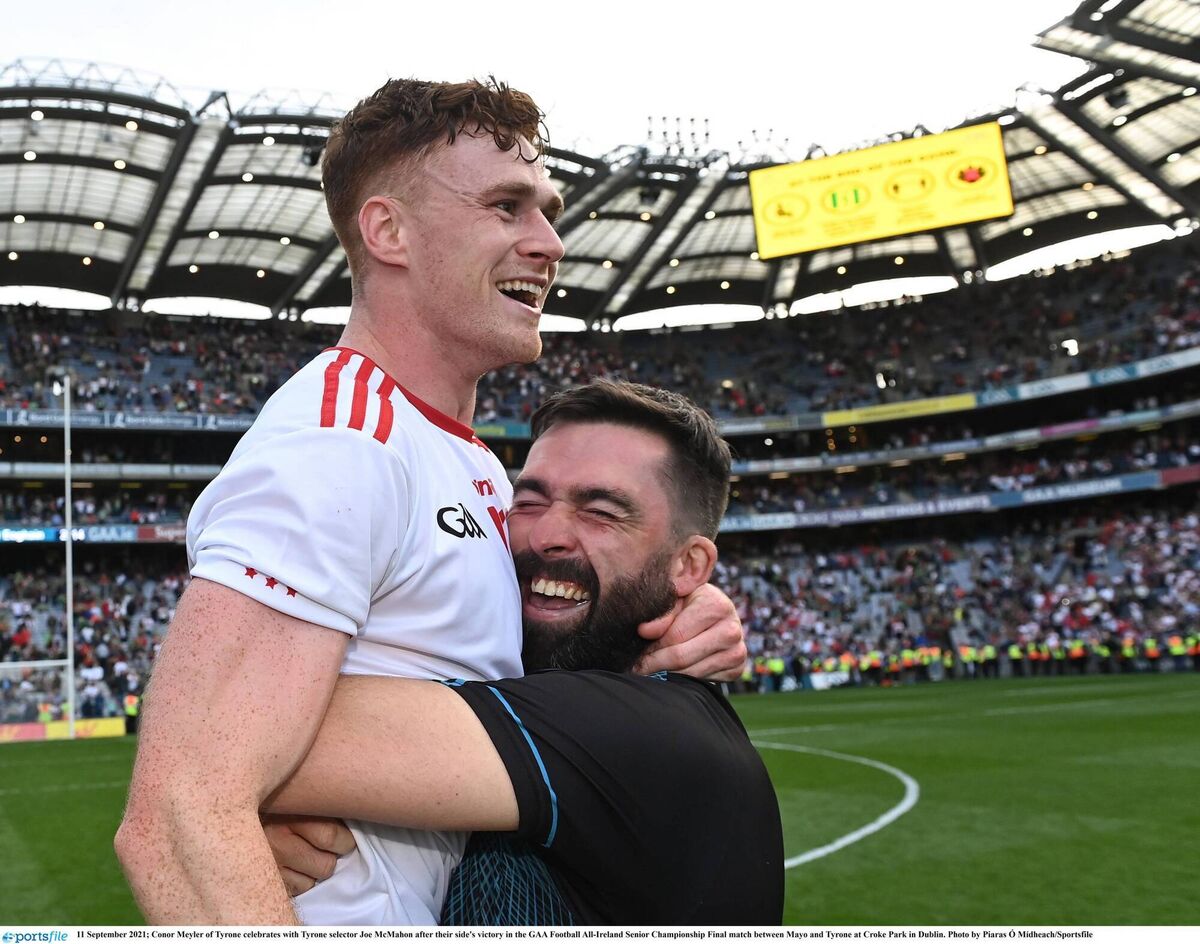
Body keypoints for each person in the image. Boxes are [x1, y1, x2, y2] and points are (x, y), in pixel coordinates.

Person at [115, 79, 745, 926]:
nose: (550, 242)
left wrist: (669, 621)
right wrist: (234, 802)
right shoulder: (341, 442)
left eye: (548, 211)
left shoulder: (467, 460)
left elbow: (479, 680)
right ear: (389, 231)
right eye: (506, 207)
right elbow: (176, 813)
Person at [263, 380, 784, 924]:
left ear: (688, 566)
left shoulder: (644, 732)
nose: (545, 535)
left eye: (601, 512)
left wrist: (235, 808)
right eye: (529, 502)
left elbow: (234, 732)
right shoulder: (608, 698)